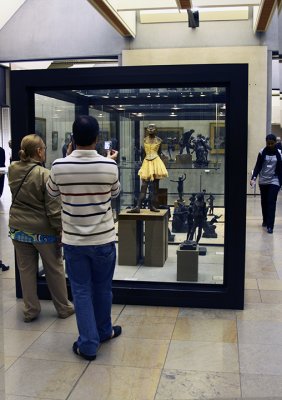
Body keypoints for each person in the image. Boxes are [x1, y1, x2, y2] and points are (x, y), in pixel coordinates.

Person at [47, 115, 121, 361]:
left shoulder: (59, 165)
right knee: (103, 288)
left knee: (81, 291)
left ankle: (89, 342)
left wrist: (68, 158)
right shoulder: (110, 166)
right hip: (104, 239)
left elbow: (52, 192)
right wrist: (109, 162)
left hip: (75, 241)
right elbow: (115, 192)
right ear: (98, 139)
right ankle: (103, 332)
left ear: (72, 139)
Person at [8, 134, 74, 322]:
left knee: (26, 270)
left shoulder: (13, 169)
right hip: (43, 231)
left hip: (18, 228)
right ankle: (63, 308)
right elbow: (53, 209)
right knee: (54, 268)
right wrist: (60, 230)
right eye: (43, 148)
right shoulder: (44, 175)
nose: (45, 150)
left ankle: (31, 310)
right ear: (38, 151)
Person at [128, 124, 168, 213]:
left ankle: (152, 205)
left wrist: (161, 165)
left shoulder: (159, 140)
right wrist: (142, 163)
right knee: (144, 186)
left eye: (152, 127)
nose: (150, 129)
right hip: (146, 162)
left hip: (156, 162)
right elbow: (143, 153)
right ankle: (138, 206)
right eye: (149, 127)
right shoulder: (144, 140)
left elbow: (160, 153)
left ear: (156, 129)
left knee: (154, 187)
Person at [250, 133, 282, 233]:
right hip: (263, 180)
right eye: (268, 143)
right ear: (266, 142)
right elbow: (258, 166)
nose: (270, 145)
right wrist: (253, 178)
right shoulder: (262, 152)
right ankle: (265, 220)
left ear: (275, 143)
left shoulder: (280, 153)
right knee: (264, 201)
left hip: (274, 180)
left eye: (272, 143)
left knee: (271, 201)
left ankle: (270, 225)